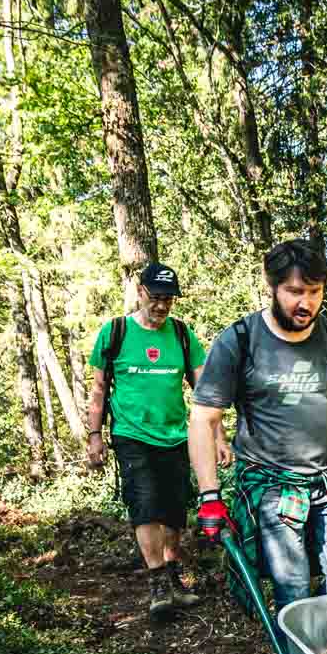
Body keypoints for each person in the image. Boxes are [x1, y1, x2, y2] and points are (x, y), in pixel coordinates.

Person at [187, 239, 327, 613]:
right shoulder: (240, 340)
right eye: (294, 291)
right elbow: (202, 418)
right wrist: (210, 496)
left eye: (314, 292)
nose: (305, 303)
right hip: (269, 481)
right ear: (272, 286)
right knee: (291, 584)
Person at [85, 261, 224, 617]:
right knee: (145, 506)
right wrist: (94, 435)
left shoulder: (181, 335)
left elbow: (205, 391)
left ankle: (173, 575)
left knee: (176, 510)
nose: (162, 305)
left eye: (169, 299)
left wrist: (218, 436)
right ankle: (158, 583)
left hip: (177, 435)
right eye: (157, 297)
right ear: (141, 292)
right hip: (132, 435)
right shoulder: (114, 332)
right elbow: (99, 388)